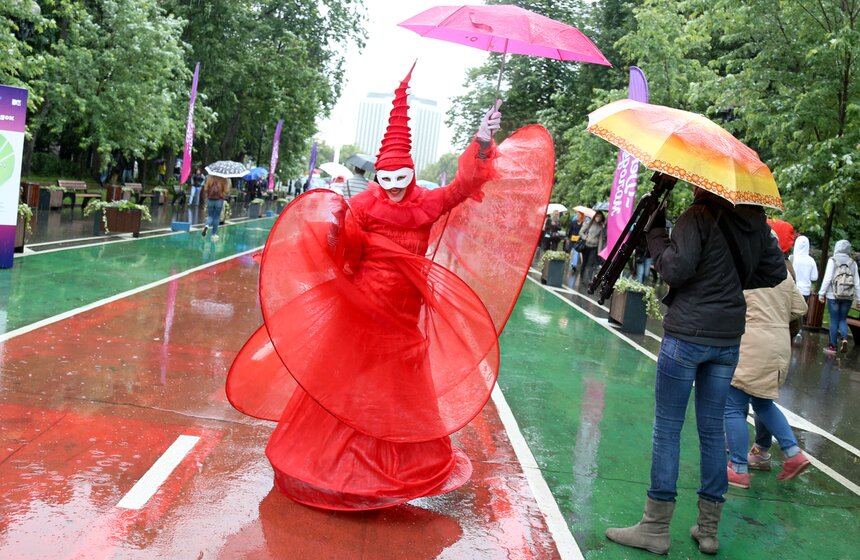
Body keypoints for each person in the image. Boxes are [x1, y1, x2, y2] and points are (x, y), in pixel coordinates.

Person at [226, 65, 553, 511]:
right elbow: (344, 255)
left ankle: (395, 470)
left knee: (395, 391)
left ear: (412, 173)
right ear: (378, 174)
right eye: (387, 179)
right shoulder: (359, 206)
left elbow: (465, 185)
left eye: (403, 179)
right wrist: (335, 236)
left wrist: (481, 141)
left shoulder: (429, 202)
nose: (395, 190)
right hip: (361, 312)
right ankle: (333, 467)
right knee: (349, 382)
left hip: (404, 316)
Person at [605, 184, 786, 556]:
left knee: (668, 430)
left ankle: (655, 528)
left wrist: (656, 235)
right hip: (727, 338)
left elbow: (675, 269)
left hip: (687, 334)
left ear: (703, 181)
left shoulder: (697, 215)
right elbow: (773, 272)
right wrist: (728, 280)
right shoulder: (756, 223)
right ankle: (708, 530)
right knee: (710, 429)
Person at [724, 258, 810, 490]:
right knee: (763, 403)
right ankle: (793, 453)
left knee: (732, 404)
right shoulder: (781, 271)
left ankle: (738, 468)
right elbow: (801, 308)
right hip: (780, 345)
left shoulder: (746, 268)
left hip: (753, 342)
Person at [818, 239, 860, 353]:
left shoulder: (833, 260)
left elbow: (827, 279)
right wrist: (859, 299)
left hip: (833, 295)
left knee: (833, 319)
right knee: (842, 319)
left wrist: (821, 293)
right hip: (848, 297)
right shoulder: (853, 263)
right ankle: (845, 338)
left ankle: (832, 346)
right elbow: (857, 282)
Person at [579, 211, 606, 284]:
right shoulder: (589, 224)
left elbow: (600, 240)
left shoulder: (601, 227)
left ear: (601, 218)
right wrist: (585, 237)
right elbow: (581, 232)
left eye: (600, 217)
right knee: (584, 263)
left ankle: (590, 280)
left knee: (590, 264)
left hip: (594, 247)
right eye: (597, 216)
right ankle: (581, 277)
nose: (598, 218)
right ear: (594, 217)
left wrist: (599, 251)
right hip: (586, 246)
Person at [202, 175, 228, 240]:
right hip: (219, 200)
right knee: (216, 217)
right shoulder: (223, 179)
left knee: (210, 216)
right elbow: (226, 190)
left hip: (210, 199)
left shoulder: (210, 177)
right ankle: (214, 234)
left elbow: (205, 188)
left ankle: (207, 225)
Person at [567, 211, 585, 287]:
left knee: (577, 253)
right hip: (572, 239)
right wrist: (568, 238)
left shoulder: (583, 224)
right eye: (577, 215)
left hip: (578, 241)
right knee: (572, 252)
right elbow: (570, 231)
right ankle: (572, 264)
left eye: (579, 215)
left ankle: (575, 265)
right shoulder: (573, 223)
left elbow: (584, 231)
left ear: (581, 216)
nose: (577, 216)